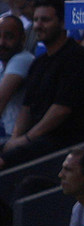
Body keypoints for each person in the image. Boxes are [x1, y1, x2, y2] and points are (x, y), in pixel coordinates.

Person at [0, 0, 84, 171]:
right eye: (36, 20)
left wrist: (26, 139)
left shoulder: (76, 57)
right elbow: (26, 108)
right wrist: (15, 139)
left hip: (64, 144)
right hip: (35, 140)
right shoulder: (39, 62)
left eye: (45, 20)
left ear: (62, 22)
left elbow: (60, 110)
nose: (38, 25)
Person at [0, 14, 33, 144]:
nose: (1, 42)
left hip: (12, 139)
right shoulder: (3, 63)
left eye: (8, 37)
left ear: (23, 39)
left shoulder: (23, 59)